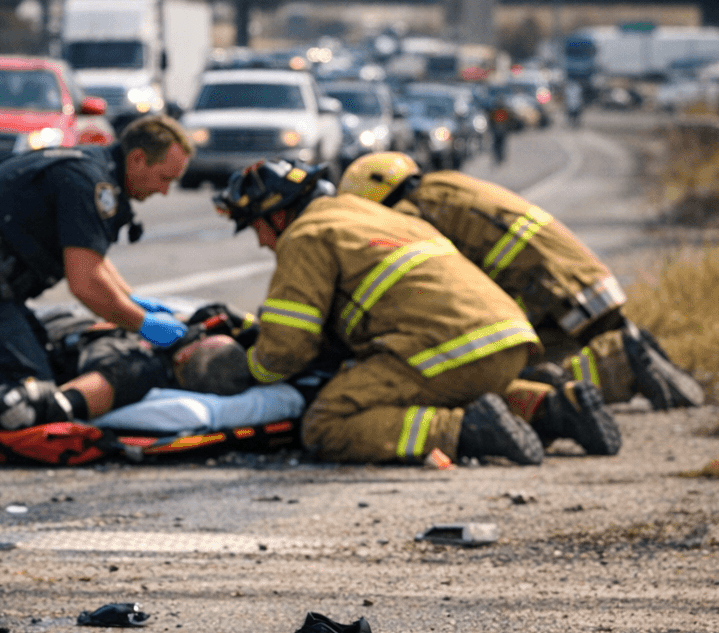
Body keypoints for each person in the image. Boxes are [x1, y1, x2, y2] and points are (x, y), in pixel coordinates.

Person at [213, 158, 620, 465]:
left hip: (444, 347)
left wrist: (249, 367)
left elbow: (287, 349)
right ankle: (556, 408)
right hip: (506, 339)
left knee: (328, 422)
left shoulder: (305, 235)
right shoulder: (374, 215)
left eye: (255, 227)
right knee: (452, 390)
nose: (262, 243)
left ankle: (466, 432)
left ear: (277, 214)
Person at [338, 152, 703, 410]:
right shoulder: (446, 185)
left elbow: (448, 284)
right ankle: (632, 351)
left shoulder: (412, 215)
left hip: (553, 297)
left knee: (498, 374)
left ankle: (620, 361)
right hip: (587, 283)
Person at [0, 115, 193, 427]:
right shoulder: (88, 181)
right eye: (165, 178)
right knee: (26, 388)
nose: (164, 191)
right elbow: (86, 284)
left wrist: (132, 300)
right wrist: (142, 323)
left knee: (47, 364)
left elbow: (90, 256)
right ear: (138, 159)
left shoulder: (93, 169)